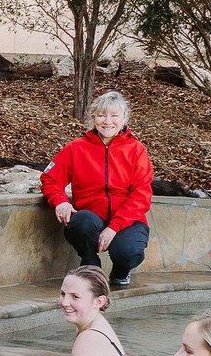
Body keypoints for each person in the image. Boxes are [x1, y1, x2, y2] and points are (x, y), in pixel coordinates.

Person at [40, 90, 153, 288]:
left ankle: (120, 271)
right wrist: (60, 201)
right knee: (81, 222)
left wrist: (113, 227)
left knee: (128, 252)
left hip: (126, 220)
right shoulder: (77, 148)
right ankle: (91, 264)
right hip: (90, 216)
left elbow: (141, 195)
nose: (107, 121)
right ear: (93, 118)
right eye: (101, 115)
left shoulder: (136, 150)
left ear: (124, 118)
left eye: (114, 116)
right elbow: (50, 178)